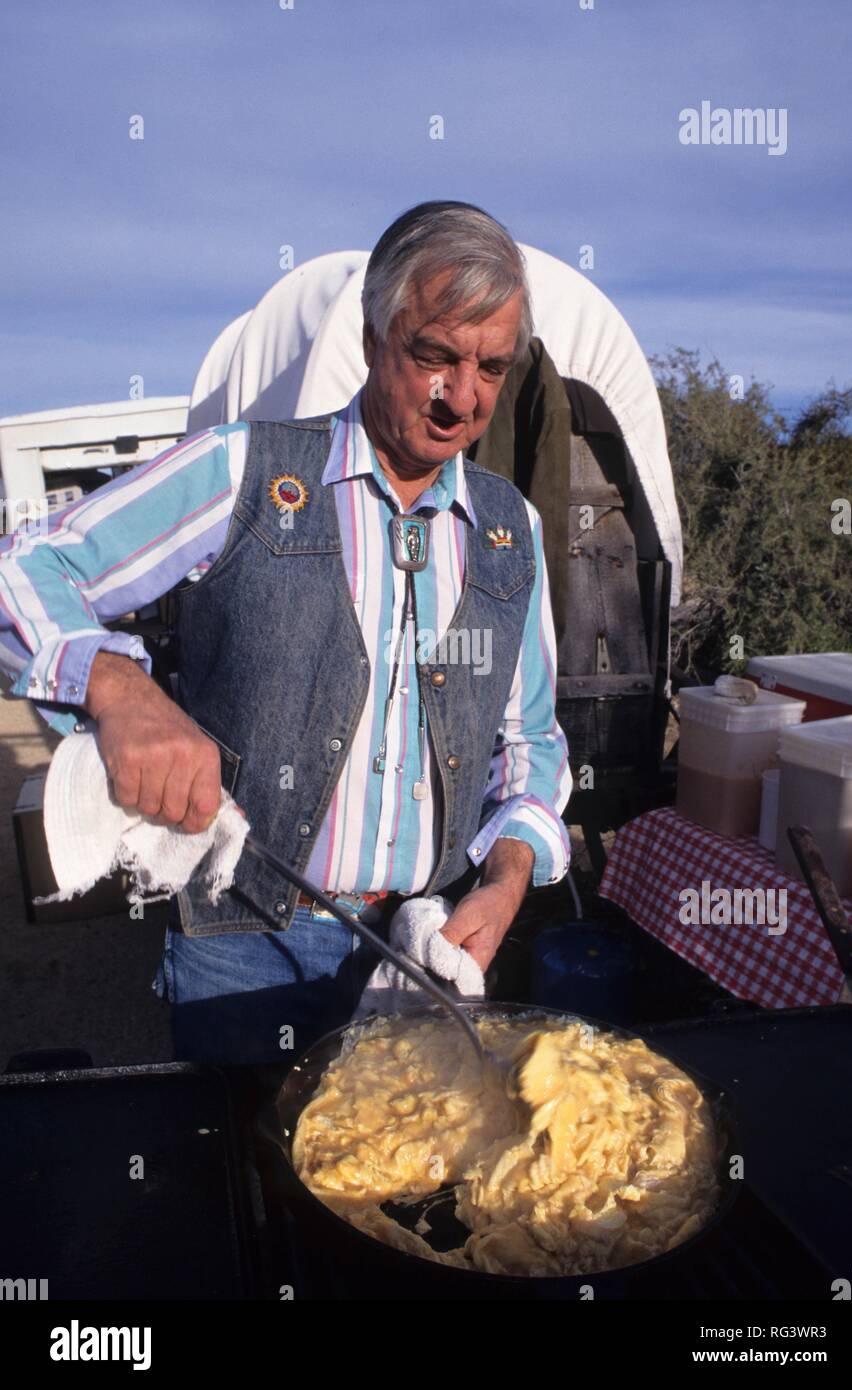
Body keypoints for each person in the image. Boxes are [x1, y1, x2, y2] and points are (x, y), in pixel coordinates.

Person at [0, 200, 573, 1063]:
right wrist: (121, 691)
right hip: (248, 942)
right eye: (434, 357)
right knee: (239, 1176)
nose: (463, 400)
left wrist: (507, 877)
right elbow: (22, 572)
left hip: (429, 946)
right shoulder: (246, 471)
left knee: (401, 1188)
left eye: (491, 368)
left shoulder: (508, 528)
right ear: (375, 335)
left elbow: (529, 739)